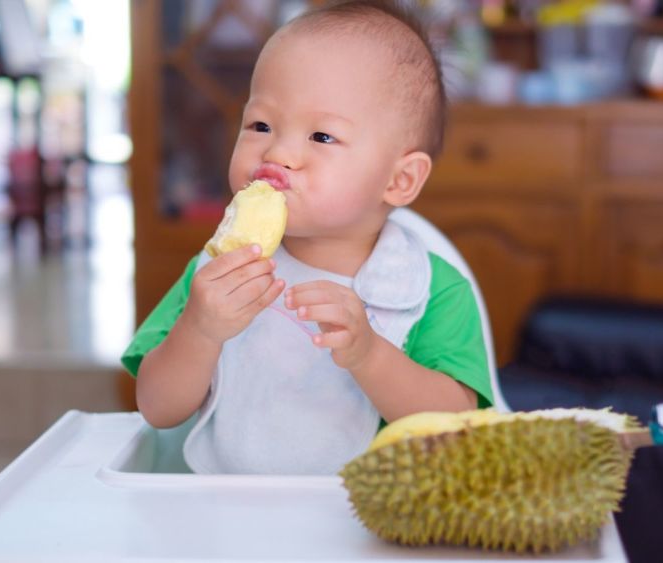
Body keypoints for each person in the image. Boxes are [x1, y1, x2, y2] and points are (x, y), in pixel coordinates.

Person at [121, 0, 493, 475]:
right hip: (226, 519)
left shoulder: (430, 289)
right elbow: (156, 409)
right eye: (260, 125)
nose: (277, 151)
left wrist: (369, 354)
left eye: (321, 136)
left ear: (399, 181)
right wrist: (199, 328)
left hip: (370, 529)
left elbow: (458, 431)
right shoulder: (216, 273)